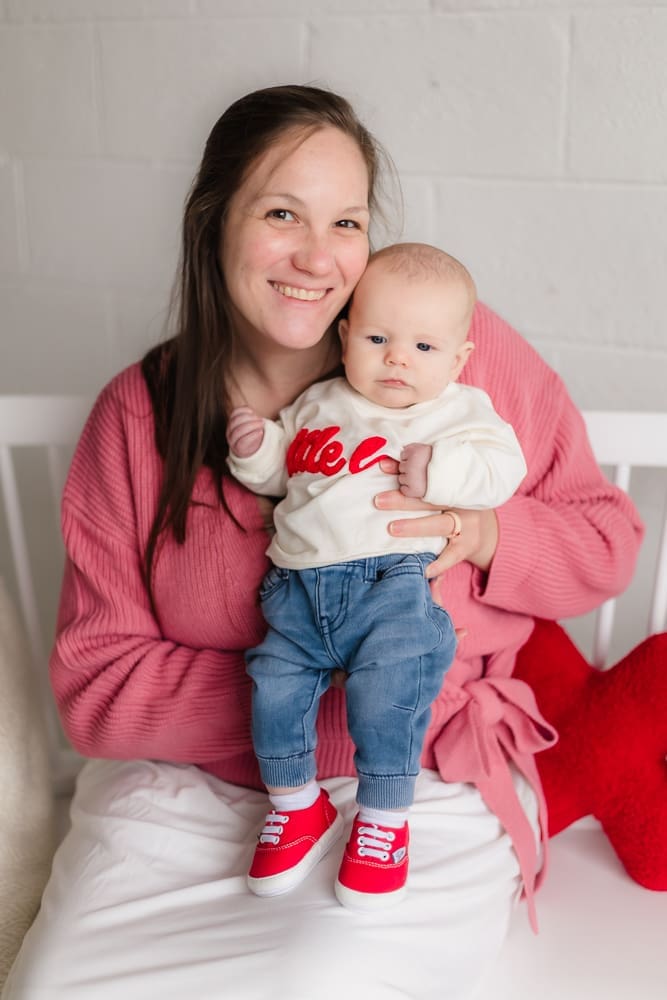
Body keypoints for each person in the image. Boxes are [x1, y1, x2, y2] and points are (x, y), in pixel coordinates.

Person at [2, 84, 642, 1000]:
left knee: (330, 978)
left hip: (416, 778)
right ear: (212, 223)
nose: (316, 256)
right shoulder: (138, 413)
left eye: (345, 220)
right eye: (279, 213)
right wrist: (305, 688)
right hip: (187, 793)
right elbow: (98, 690)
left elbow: (606, 543)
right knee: (65, 987)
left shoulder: (448, 349)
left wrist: (485, 532)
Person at [226, 242, 527, 909]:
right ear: (343, 339)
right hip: (297, 591)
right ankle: (297, 805)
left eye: (424, 347)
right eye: (377, 337)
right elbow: (285, 475)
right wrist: (257, 451)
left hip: (391, 586)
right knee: (272, 690)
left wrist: (441, 475)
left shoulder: (458, 411)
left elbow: (502, 469)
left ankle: (383, 821)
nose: (397, 357)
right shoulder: (318, 403)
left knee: (387, 700)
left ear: (457, 359)